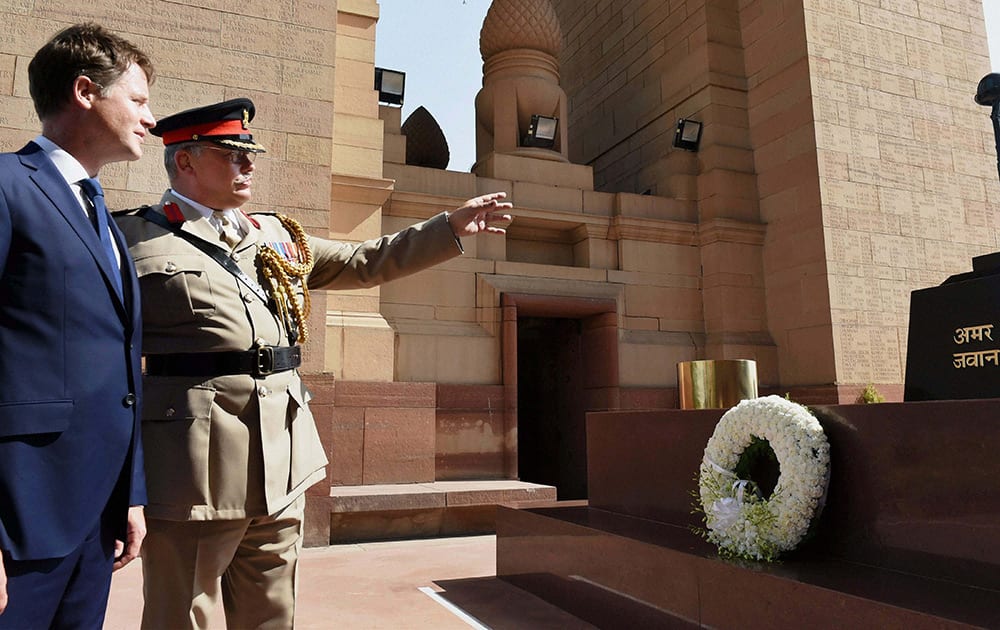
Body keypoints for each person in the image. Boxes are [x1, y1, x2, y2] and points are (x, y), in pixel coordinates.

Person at [113, 97, 513, 629]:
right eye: (233, 154)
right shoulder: (132, 237)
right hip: (193, 466)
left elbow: (362, 261)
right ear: (185, 161)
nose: (249, 164)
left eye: (249, 153)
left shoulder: (273, 236)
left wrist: (450, 228)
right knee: (184, 610)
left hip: (283, 456)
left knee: (273, 608)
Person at [0, 23, 155, 628]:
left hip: (98, 520)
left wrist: (131, 494)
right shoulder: (9, 186)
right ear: (86, 91)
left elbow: (120, 371)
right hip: (21, 522)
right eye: (138, 100)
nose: (149, 119)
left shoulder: (105, 218)